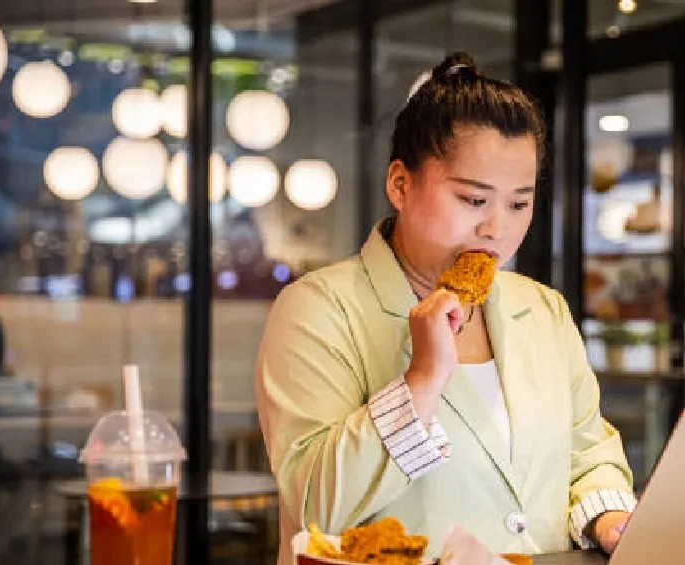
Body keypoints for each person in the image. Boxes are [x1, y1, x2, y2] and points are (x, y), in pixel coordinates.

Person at [255, 52, 635, 565]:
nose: (496, 229)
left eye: (518, 204)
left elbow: (588, 454)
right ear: (400, 184)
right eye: (473, 200)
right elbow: (314, 506)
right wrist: (423, 380)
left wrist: (610, 520)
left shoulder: (543, 309)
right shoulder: (319, 309)